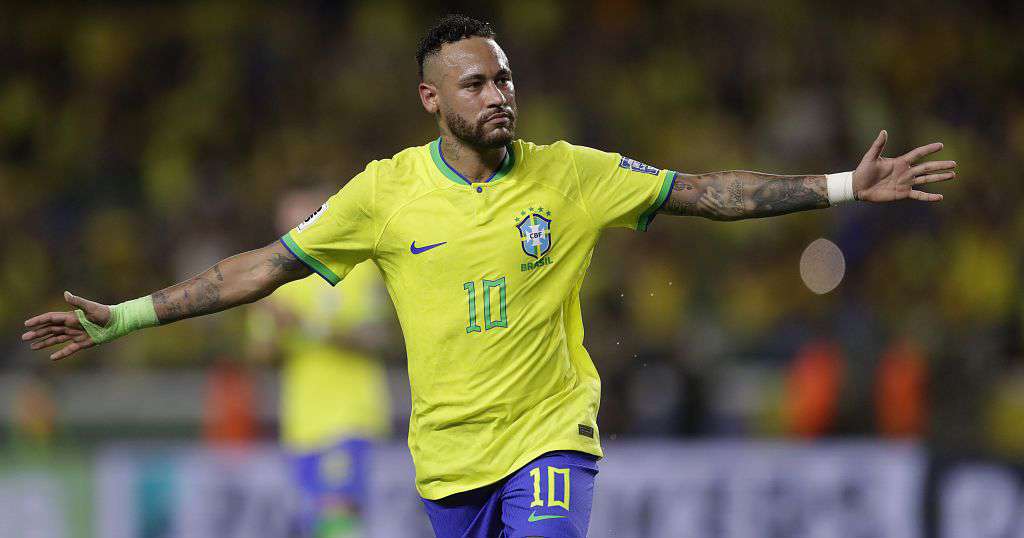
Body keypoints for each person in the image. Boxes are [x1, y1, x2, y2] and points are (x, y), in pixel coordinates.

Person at [22, 14, 956, 538]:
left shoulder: (570, 173)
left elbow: (706, 193)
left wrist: (843, 186)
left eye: (504, 78)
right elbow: (260, 270)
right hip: (448, 458)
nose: (499, 94)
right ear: (432, 99)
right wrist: (126, 317)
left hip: (551, 437)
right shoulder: (384, 194)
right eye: (476, 84)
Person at [245, 189, 392, 537]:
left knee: (338, 513)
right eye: (289, 226)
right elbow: (259, 356)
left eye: (303, 222)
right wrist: (276, 333)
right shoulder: (274, 283)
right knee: (317, 521)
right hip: (301, 423)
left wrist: (307, 325)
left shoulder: (359, 269)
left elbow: (378, 339)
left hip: (350, 416)